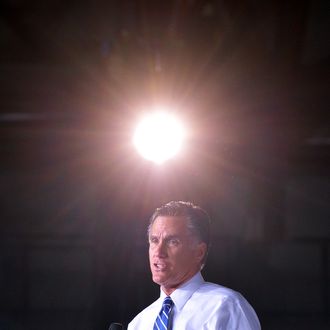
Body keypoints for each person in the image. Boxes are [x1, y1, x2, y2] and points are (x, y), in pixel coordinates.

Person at [128, 201, 261, 330]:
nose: (158, 252)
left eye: (173, 242)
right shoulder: (139, 323)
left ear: (199, 252)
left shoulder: (226, 307)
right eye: (154, 240)